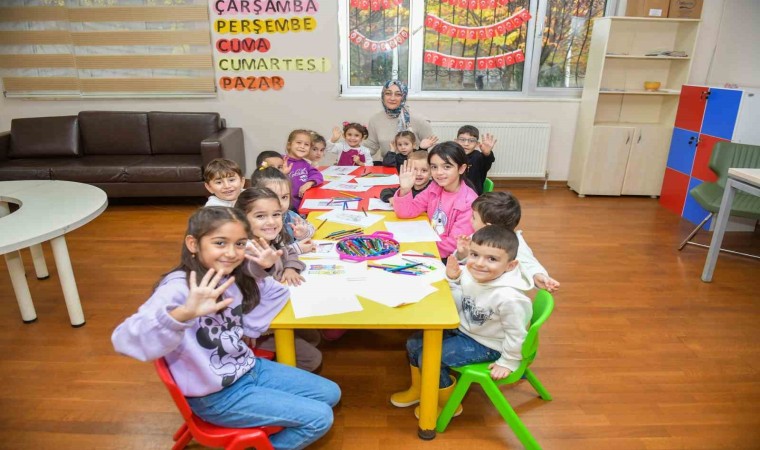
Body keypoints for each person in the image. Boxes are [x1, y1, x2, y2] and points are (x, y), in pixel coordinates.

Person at [111, 207, 340, 450]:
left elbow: (273, 294)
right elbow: (123, 340)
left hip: (247, 368)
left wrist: (263, 272)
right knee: (320, 418)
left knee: (331, 393)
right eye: (220, 243)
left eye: (239, 243)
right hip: (217, 397)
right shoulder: (177, 288)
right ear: (193, 243)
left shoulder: (227, 274)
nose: (231, 253)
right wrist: (182, 314)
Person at [391, 225, 533, 418]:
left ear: (510, 265)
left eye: (492, 259)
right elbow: (458, 299)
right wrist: (453, 278)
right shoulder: (472, 273)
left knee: (430, 357)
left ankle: (447, 403)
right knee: (413, 343)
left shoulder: (510, 298)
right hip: (466, 330)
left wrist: (508, 361)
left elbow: (518, 334)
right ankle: (419, 390)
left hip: (490, 345)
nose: (480, 264)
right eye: (475, 255)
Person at [235, 188, 323, 372]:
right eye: (260, 216)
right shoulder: (245, 251)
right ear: (242, 219)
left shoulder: (269, 239)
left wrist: (290, 267)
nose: (271, 221)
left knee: (314, 337)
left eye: (276, 214)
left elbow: (288, 251)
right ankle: (266, 372)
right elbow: (252, 273)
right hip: (255, 328)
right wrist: (266, 267)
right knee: (312, 359)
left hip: (276, 310)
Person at [455, 191, 560, 292]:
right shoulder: (480, 235)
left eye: (474, 217)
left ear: (488, 226)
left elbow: (529, 264)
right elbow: (470, 262)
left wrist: (538, 276)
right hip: (476, 287)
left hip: (492, 294)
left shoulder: (515, 245)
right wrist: (463, 253)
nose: (470, 220)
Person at [392, 141, 477, 259]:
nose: (439, 172)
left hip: (446, 258)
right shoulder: (434, 187)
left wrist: (419, 248)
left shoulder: (469, 203)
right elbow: (406, 212)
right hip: (429, 244)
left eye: (447, 167)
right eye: (434, 167)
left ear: (461, 168)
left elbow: (453, 245)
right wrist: (405, 190)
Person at [365, 79, 438, 162]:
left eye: (398, 94)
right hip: (388, 165)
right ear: (383, 96)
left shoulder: (419, 120)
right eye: (388, 93)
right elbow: (371, 145)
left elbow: (433, 149)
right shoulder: (375, 119)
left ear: (404, 97)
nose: (392, 98)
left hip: (413, 167)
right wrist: (355, 152)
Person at [251, 166, 316, 254]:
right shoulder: (259, 223)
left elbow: (312, 227)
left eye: (284, 197)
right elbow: (269, 254)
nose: (280, 203)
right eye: (273, 197)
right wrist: (295, 249)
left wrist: (304, 232)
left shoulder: (289, 215)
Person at [283, 129, 323, 209]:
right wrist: (282, 173)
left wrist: (309, 183)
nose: (302, 146)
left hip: (301, 204)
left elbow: (317, 175)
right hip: (285, 205)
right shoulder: (281, 160)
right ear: (289, 145)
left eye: (306, 144)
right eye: (299, 142)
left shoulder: (306, 164)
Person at [456, 125, 497, 195]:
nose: (466, 144)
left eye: (471, 141)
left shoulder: (478, 157)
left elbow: (487, 161)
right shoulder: (452, 155)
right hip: (454, 193)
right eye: (462, 140)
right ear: (456, 141)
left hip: (473, 196)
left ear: (477, 144)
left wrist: (487, 154)